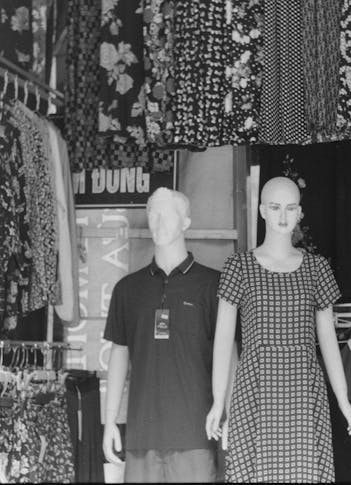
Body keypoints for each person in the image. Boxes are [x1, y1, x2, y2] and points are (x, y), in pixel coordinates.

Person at [205, 176, 351, 482]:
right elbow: (223, 340)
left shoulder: (317, 267)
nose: (282, 216)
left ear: (300, 212)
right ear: (262, 210)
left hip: (304, 386)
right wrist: (217, 400)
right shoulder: (238, 266)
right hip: (254, 387)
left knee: (306, 472)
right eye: (275, 207)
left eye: (290, 208)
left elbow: (327, 339)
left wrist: (344, 399)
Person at [102, 188, 221, 483]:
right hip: (142, 436)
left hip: (196, 434)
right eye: (152, 213)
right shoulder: (128, 289)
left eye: (167, 214)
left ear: (186, 222)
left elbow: (228, 354)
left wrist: (228, 413)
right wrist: (110, 421)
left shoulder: (213, 285)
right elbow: (119, 353)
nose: (158, 221)